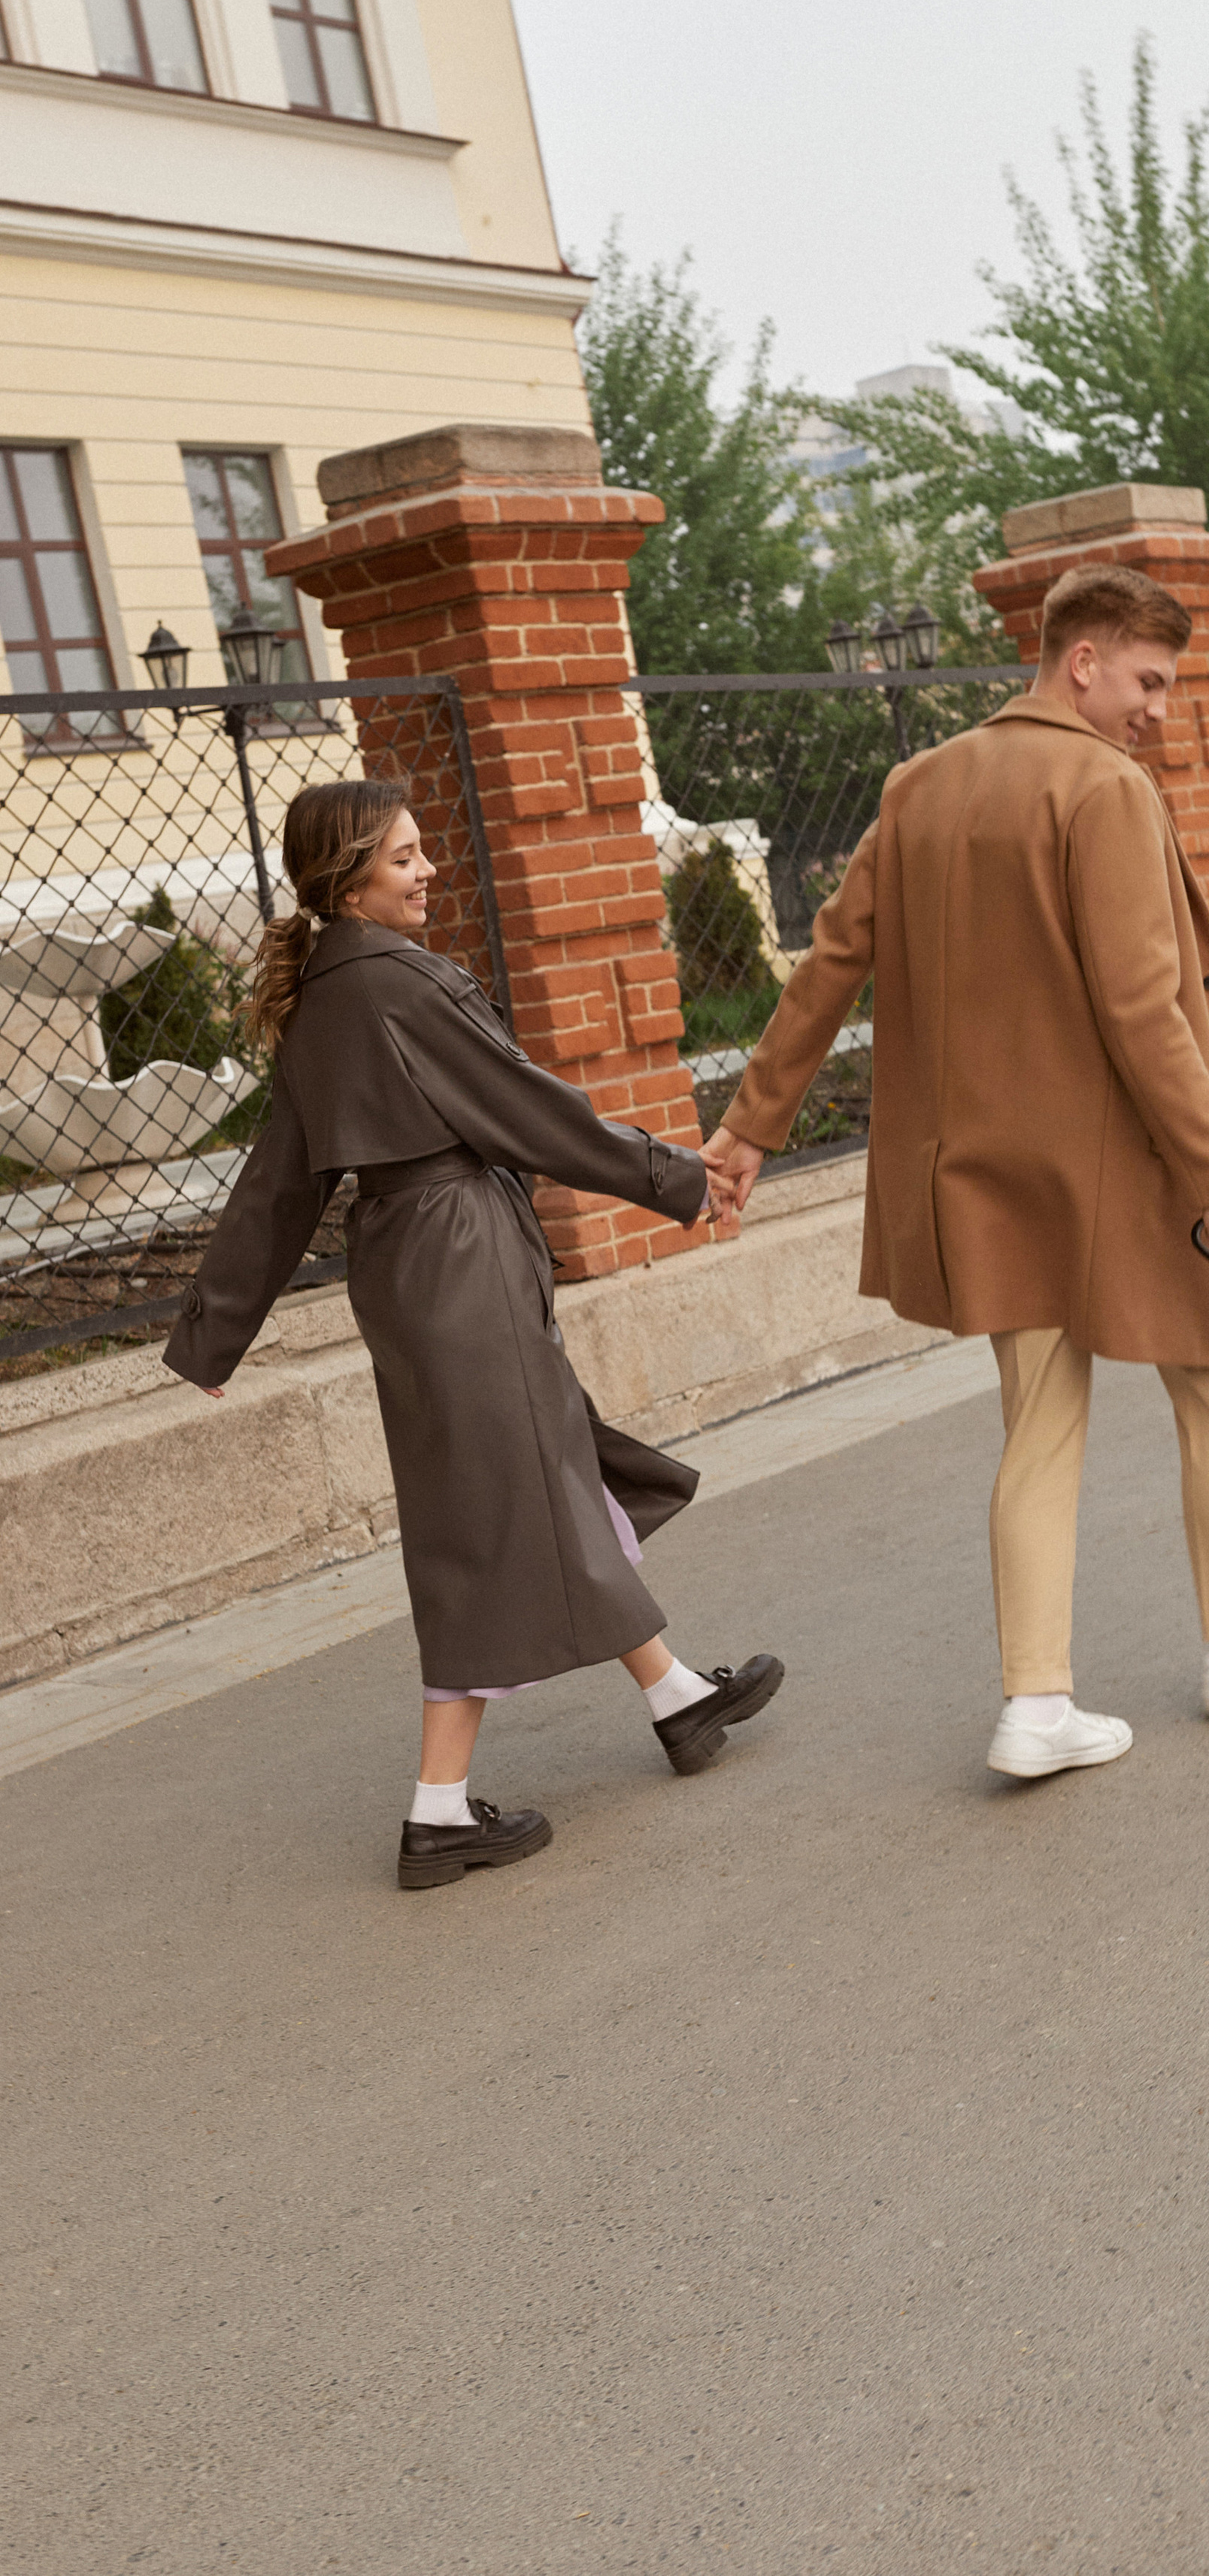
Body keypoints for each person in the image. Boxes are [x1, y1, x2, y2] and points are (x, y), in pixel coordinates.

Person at [701, 562, 1209, 1779]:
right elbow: (1145, 1010)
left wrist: (748, 1129)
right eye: (1149, 681)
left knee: (1038, 1426)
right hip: (1132, 1168)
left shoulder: (921, 784)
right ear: (1083, 659)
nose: (1160, 709)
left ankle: (1035, 1707)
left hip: (992, 1175)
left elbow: (829, 963)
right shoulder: (1100, 788)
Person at [165, 780, 783, 1888]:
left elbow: (276, 1185)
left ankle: (679, 1699)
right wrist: (681, 1180)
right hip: (462, 1254)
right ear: (350, 876)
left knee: (539, 1471)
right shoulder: (404, 986)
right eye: (404, 859)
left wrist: (214, 1335)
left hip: (409, 1267)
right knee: (493, 1515)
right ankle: (439, 1813)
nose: (428, 870)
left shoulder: (323, 999)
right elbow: (532, 1112)